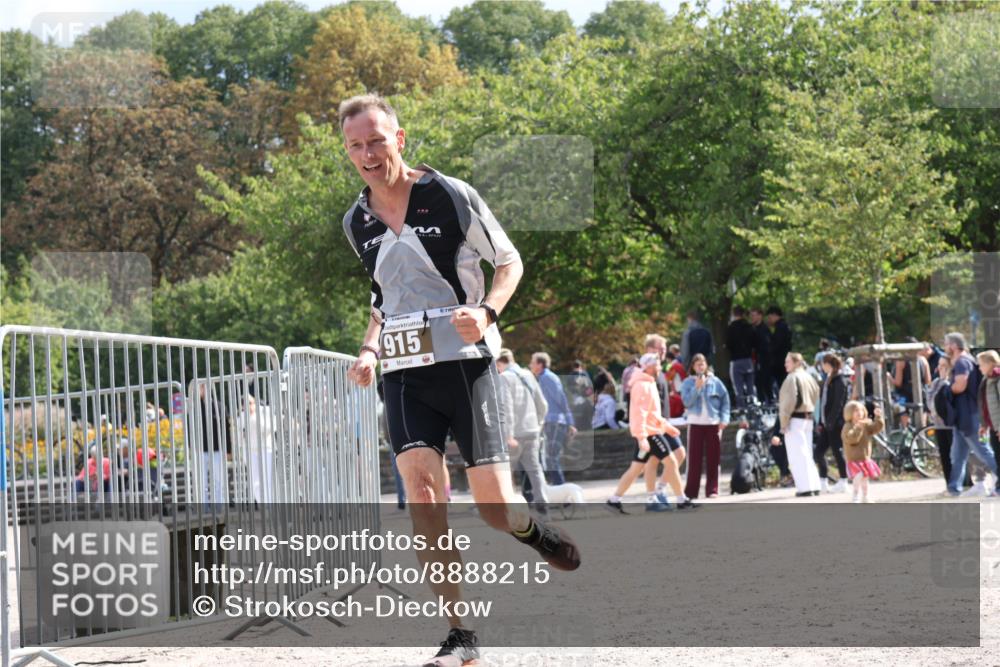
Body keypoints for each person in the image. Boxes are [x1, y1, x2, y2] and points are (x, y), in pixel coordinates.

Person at [338, 94, 579, 666]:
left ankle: (530, 530)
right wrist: (370, 350)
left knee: (495, 508)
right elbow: (381, 298)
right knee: (423, 494)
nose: (368, 153)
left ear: (399, 138)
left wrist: (488, 312)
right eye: (356, 145)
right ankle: (460, 631)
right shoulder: (356, 222)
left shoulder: (449, 194)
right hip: (403, 375)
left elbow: (509, 260)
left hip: (468, 367)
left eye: (376, 140)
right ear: (347, 152)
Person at [606, 353, 693, 512]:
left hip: (650, 432)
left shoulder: (648, 383)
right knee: (671, 462)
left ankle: (614, 499)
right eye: (658, 364)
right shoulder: (642, 385)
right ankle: (681, 500)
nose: (661, 367)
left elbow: (652, 413)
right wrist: (642, 438)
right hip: (649, 434)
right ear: (650, 366)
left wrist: (666, 427)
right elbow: (639, 413)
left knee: (636, 469)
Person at [496, 349, 549, 516]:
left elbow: (507, 408)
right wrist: (538, 423)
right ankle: (543, 505)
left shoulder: (505, 377)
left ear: (499, 363)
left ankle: (510, 509)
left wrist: (508, 434)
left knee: (506, 471)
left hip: (515, 434)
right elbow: (543, 404)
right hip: (532, 430)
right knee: (535, 468)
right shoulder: (527, 374)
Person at [943, 332, 996, 497]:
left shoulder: (962, 362)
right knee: (957, 454)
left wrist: (945, 388)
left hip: (968, 414)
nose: (945, 348)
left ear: (953, 346)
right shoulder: (965, 361)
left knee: (983, 452)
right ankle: (953, 488)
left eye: (946, 344)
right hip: (963, 415)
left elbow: (960, 385)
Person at [680, 353, 730, 499]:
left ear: (706, 365)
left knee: (713, 459)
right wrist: (697, 388)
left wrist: (724, 419)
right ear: (693, 367)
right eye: (697, 364)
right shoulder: (687, 382)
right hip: (695, 424)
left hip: (713, 423)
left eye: (702, 363)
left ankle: (712, 490)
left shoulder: (715, 382)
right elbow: (687, 402)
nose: (700, 366)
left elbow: (725, 401)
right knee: (694, 460)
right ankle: (691, 492)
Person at [777, 352, 821, 496]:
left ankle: (805, 488)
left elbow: (788, 402)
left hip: (795, 419)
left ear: (796, 363)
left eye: (787, 361)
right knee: (807, 453)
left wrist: (784, 423)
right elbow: (816, 394)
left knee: (797, 455)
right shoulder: (809, 377)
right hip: (808, 417)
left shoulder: (792, 378)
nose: (785, 364)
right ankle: (814, 485)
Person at [530, 352, 576, 486]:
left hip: (555, 422)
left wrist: (570, 422)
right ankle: (558, 492)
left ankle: (562, 494)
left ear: (540, 364)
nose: (530, 365)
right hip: (550, 422)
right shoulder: (542, 378)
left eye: (532, 362)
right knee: (549, 459)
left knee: (551, 459)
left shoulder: (547, 378)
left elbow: (561, 399)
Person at [815, 353, 849, 493]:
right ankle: (823, 481)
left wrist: (831, 421)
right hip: (826, 423)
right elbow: (823, 403)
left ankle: (843, 480)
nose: (822, 367)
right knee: (818, 452)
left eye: (823, 363)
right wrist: (822, 422)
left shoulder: (840, 380)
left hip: (835, 424)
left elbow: (838, 404)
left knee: (837, 451)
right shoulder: (828, 379)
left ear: (830, 364)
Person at [237, 395, 276, 505]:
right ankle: (262, 503)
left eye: (250, 403)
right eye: (245, 404)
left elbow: (272, 428)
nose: (248, 406)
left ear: (254, 402)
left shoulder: (264, 412)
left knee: (267, 478)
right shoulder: (242, 417)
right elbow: (239, 438)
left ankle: (270, 502)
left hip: (265, 449)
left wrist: (256, 420)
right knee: (255, 480)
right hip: (250, 451)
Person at [842, 400, 884, 503]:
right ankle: (855, 495)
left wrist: (878, 417)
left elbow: (876, 428)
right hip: (853, 459)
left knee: (865, 479)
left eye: (861, 410)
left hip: (865, 457)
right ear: (849, 413)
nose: (859, 412)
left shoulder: (866, 424)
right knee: (858, 476)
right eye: (856, 410)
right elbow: (851, 439)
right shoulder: (848, 426)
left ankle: (865, 496)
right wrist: (858, 428)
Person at [927, 355, 956, 489]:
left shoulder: (952, 382)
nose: (940, 368)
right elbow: (930, 398)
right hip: (938, 424)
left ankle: (959, 482)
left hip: (950, 424)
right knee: (944, 454)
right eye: (939, 365)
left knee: (954, 454)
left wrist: (946, 380)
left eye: (944, 365)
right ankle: (949, 483)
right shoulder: (935, 382)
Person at [977, 349, 1000, 493]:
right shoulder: (987, 379)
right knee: (997, 455)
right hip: (993, 425)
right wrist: (984, 424)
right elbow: (985, 404)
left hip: (998, 425)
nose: (979, 368)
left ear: (991, 364)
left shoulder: (998, 378)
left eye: (981, 364)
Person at [726, 306, 756, 406]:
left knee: (738, 388)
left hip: (736, 360)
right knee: (750, 386)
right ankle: (752, 407)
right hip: (748, 360)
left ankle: (742, 409)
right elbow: (753, 343)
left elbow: (728, 344)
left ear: (734, 314)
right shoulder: (749, 326)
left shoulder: (731, 327)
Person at [767, 306, 793, 396]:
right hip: (783, 359)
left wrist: (769, 350)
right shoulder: (784, 326)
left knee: (781, 384)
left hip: (779, 361)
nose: (769, 320)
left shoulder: (781, 327)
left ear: (775, 315)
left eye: (770, 317)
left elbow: (777, 344)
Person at [750, 308, 773, 402]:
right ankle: (763, 401)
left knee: (765, 382)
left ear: (760, 316)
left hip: (764, 361)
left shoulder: (764, 330)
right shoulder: (753, 328)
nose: (752, 317)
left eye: (754, 315)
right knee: (758, 383)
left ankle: (769, 400)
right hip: (757, 360)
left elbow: (766, 347)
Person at [664, 344, 687, 418]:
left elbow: (668, 378)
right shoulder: (679, 364)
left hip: (678, 387)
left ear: (668, 359)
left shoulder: (674, 366)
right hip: (682, 385)